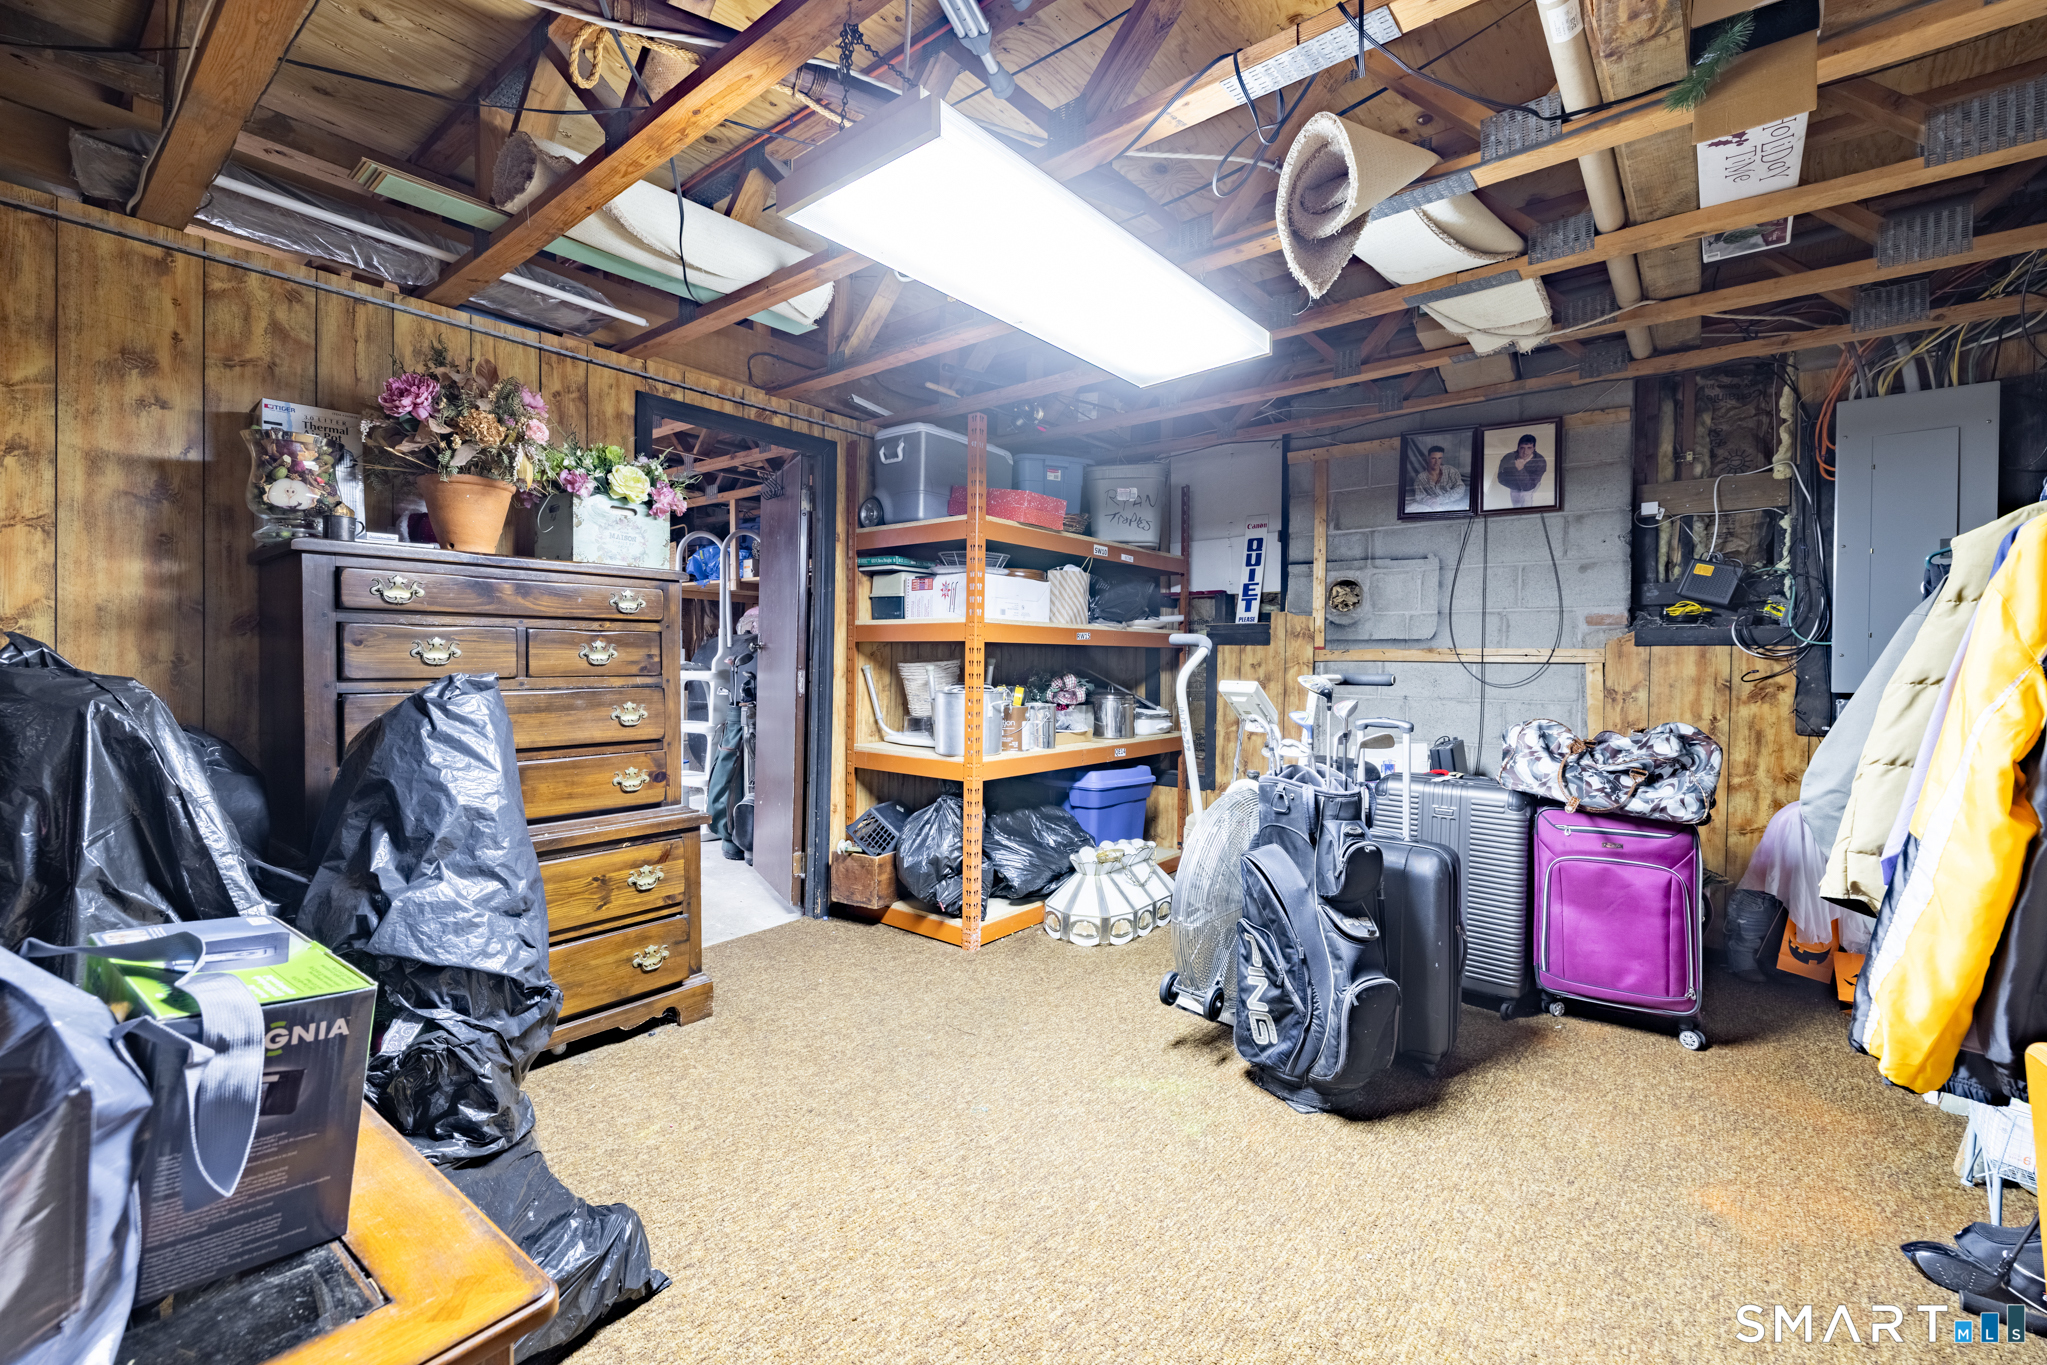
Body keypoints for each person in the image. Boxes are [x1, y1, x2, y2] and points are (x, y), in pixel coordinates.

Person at [1498, 433, 1548, 508]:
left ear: (1534, 448)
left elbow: (1528, 487)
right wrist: (1517, 486)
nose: (1525, 452)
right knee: (1516, 498)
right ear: (1518, 447)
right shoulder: (1508, 458)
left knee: (1525, 495)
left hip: (1532, 485)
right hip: (1514, 487)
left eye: (1529, 448)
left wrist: (1520, 469)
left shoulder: (1540, 460)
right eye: (1522, 448)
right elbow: (1501, 478)